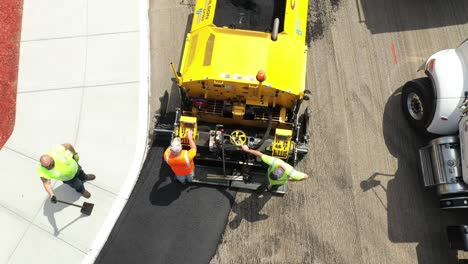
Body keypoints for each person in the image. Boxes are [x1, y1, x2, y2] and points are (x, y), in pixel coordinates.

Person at [241, 145, 308, 194]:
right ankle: (268, 190)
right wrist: (247, 150)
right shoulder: (275, 163)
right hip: (277, 181)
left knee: (267, 184)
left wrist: (291, 180)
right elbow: (260, 155)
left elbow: (306, 177)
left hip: (273, 181)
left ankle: (262, 191)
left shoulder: (276, 163)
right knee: (271, 185)